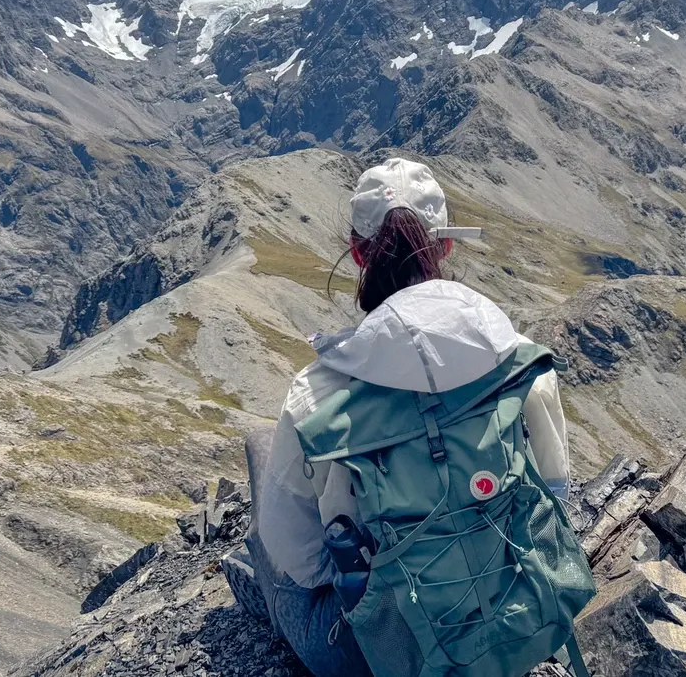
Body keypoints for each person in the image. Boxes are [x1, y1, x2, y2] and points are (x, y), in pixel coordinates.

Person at [245, 157, 572, 677]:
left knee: (261, 462)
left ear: (356, 253)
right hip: (513, 617)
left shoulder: (318, 396)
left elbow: (299, 558)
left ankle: (246, 582)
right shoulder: (521, 360)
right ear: (445, 246)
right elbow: (554, 493)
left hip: (383, 655)